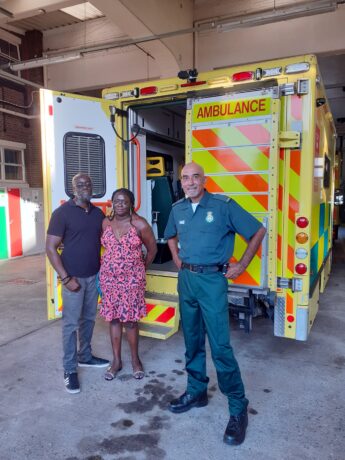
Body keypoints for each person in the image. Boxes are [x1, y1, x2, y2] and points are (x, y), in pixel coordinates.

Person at [164, 162, 266, 446]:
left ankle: (237, 408)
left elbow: (258, 230)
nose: (190, 182)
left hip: (212, 281)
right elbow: (170, 235)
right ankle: (196, 391)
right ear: (181, 182)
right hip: (187, 279)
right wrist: (175, 256)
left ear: (204, 180)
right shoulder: (178, 209)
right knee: (192, 340)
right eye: (185, 178)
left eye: (195, 176)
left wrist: (242, 264)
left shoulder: (223, 206)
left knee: (220, 346)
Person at [46, 173, 109, 394]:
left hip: (94, 277)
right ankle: (70, 369)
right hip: (73, 278)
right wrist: (66, 278)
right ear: (73, 189)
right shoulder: (62, 213)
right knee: (70, 325)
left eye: (88, 184)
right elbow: (50, 248)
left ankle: (85, 356)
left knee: (89, 319)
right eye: (80, 184)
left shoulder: (97, 213)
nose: (85, 187)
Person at [99, 188, 157, 381]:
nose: (120, 205)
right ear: (112, 203)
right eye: (116, 201)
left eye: (124, 201)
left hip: (132, 281)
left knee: (131, 321)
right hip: (109, 280)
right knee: (114, 319)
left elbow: (152, 250)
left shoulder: (140, 224)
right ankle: (116, 361)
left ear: (131, 203)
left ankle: (135, 360)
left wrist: (140, 268)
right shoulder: (106, 222)